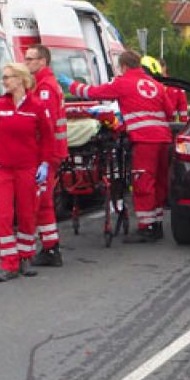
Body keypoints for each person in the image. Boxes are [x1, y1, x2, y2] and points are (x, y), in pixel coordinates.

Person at [56, 50, 174, 242]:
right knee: (159, 182)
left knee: (143, 182)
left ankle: (146, 227)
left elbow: (95, 92)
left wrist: (73, 85)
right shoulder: (156, 85)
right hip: (164, 139)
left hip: (145, 141)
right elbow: (168, 112)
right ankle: (157, 223)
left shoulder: (123, 82)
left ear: (124, 66)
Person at [0, 63, 53, 282]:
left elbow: (47, 137)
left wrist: (44, 163)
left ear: (21, 80)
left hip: (27, 168)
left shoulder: (37, 106)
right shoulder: (0, 105)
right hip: (2, 168)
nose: (4, 81)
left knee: (27, 213)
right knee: (3, 215)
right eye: (3, 77)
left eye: (8, 77)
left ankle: (25, 256)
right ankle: (8, 263)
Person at [23, 45, 67, 268]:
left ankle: (49, 248)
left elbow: (44, 125)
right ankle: (50, 246)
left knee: (40, 202)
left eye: (30, 59)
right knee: (44, 202)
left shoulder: (45, 87)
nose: (26, 62)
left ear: (42, 61)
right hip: (48, 153)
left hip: (45, 154)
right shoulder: (42, 84)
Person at [143, 55, 186, 231]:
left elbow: (181, 114)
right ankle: (163, 201)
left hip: (161, 134)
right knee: (165, 172)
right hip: (170, 134)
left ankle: (156, 204)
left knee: (156, 173)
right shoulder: (175, 89)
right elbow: (182, 116)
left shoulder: (154, 87)